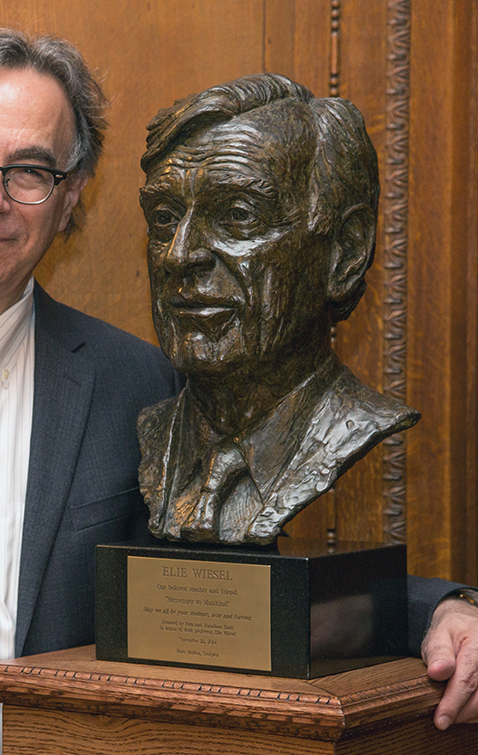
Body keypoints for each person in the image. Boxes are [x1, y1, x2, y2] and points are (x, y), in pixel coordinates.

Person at [0, 31, 477, 754]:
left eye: (29, 171)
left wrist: (447, 607)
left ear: (71, 194)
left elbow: (239, 596)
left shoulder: (139, 386)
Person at [137, 72, 478, 728]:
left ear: (344, 252)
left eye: (236, 216)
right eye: (162, 218)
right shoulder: (136, 410)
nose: (180, 255)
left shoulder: (356, 429)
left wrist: (445, 604)